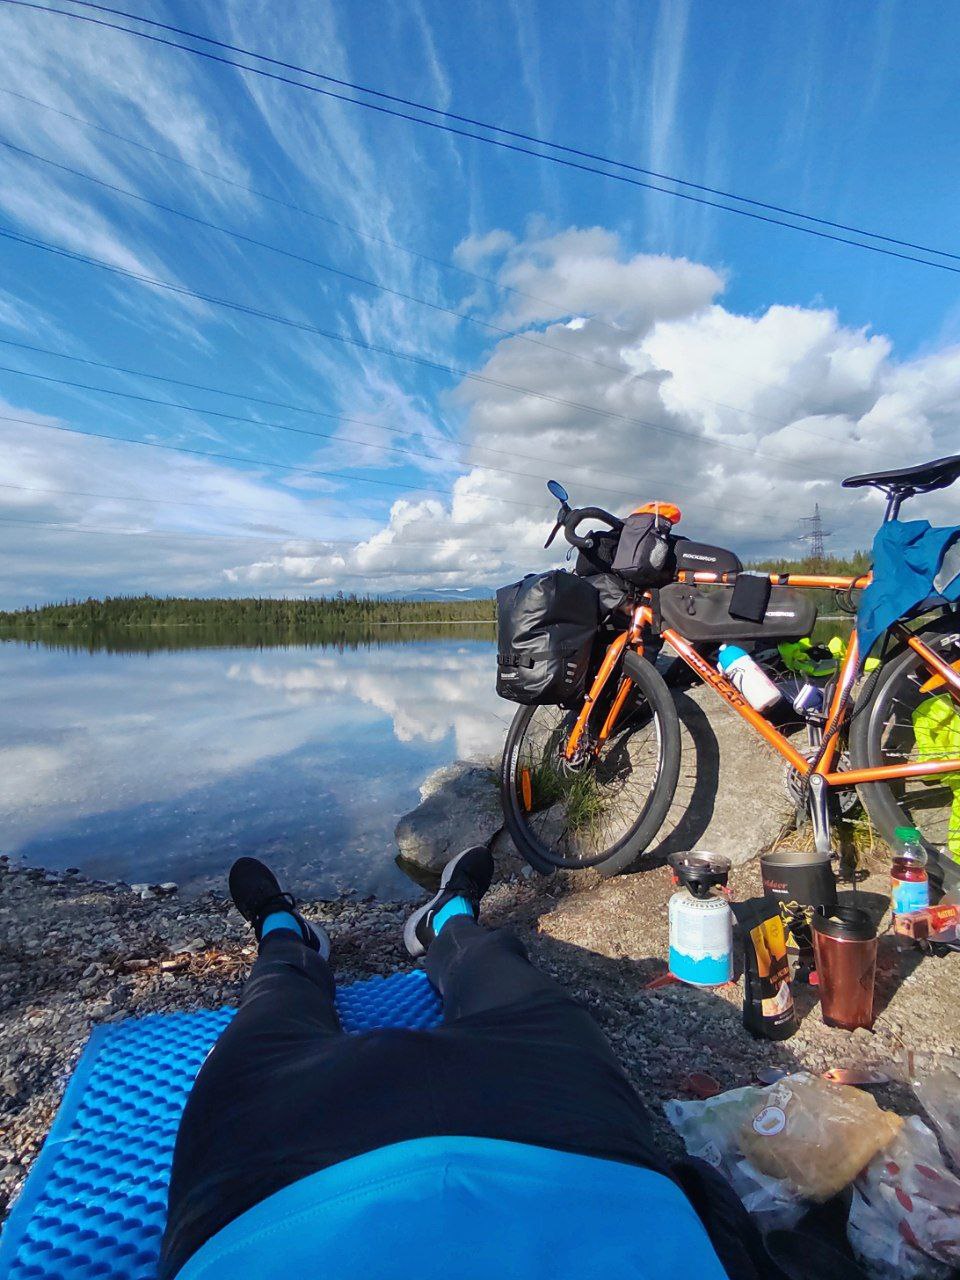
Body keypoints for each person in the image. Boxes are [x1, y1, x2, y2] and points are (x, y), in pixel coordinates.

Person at [159, 848, 864, 1280]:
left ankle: (286, 933)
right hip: (570, 1154)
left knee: (274, 1005)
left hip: (269, 1192)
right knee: (518, 985)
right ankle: (452, 923)